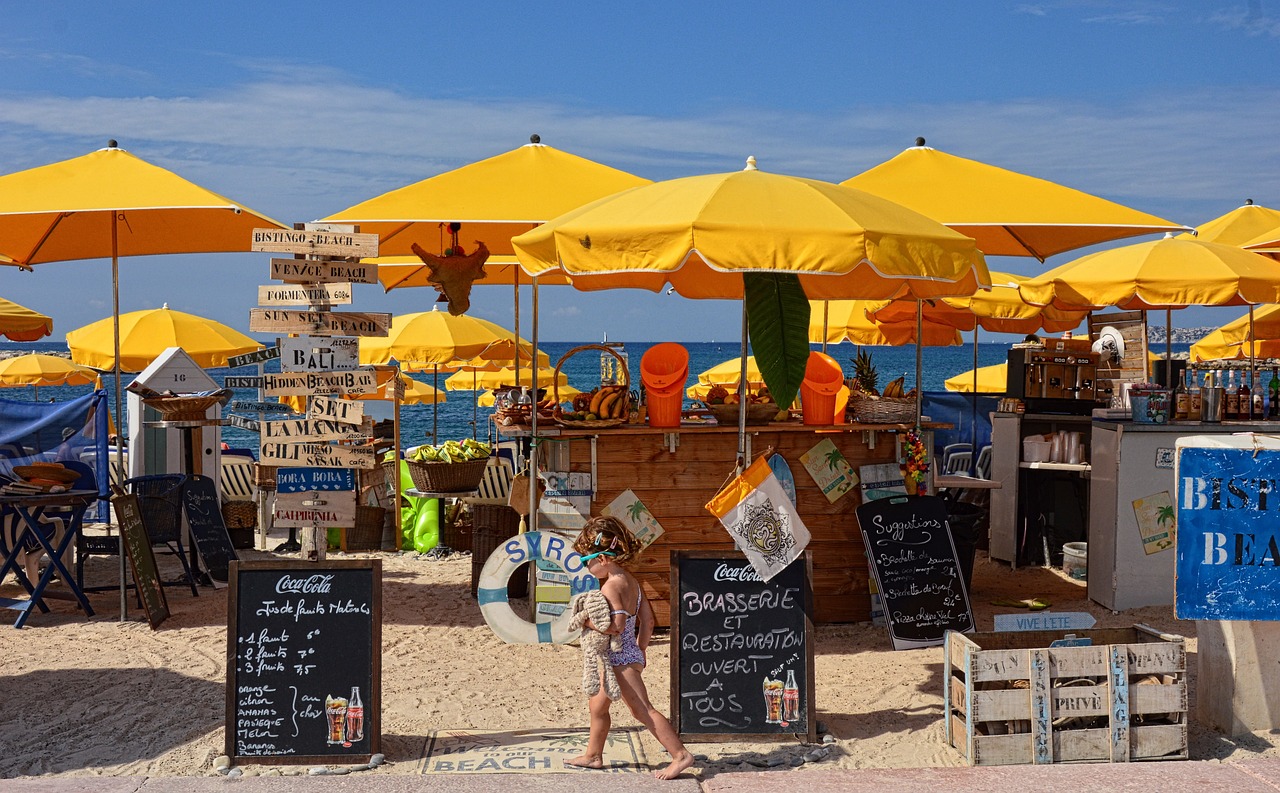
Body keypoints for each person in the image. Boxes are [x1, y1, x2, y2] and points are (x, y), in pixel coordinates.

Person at [565, 516, 695, 780]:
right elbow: (648, 621)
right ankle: (593, 755)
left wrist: (585, 620)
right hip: (629, 654)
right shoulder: (633, 582)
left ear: (603, 559)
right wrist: (641, 649)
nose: (586, 567)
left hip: (620, 659)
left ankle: (680, 754)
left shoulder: (611, 586)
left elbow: (616, 626)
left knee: (642, 709)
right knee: (597, 707)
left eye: (586, 561)